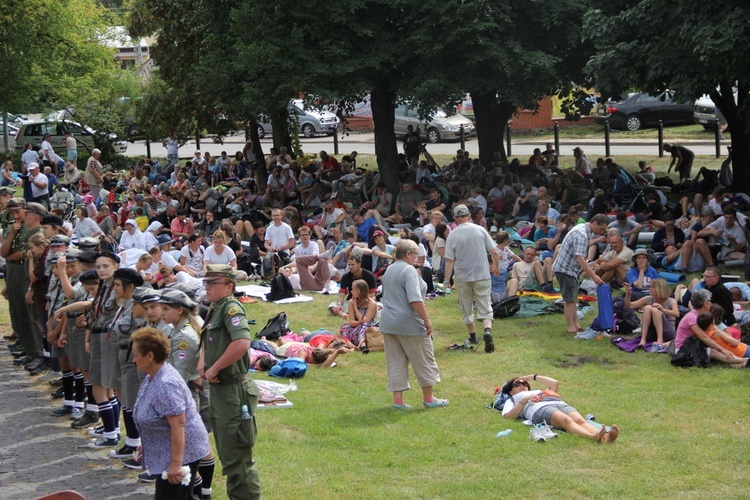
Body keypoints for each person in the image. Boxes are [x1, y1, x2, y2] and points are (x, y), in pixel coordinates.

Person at [198, 265, 261, 499]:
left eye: (213, 283)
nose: (207, 287)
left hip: (233, 390)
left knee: (238, 460)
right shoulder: (216, 308)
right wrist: (204, 363)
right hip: (221, 389)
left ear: (229, 286)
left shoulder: (231, 308)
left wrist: (215, 367)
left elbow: (242, 343)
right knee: (228, 454)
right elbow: (210, 340)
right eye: (206, 282)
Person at [131, 327, 211, 498]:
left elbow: (178, 425)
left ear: (150, 356)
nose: (134, 359)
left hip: (183, 452)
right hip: (168, 449)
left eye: (136, 354)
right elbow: (157, 417)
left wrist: (176, 464)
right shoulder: (153, 376)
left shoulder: (166, 384)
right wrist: (149, 442)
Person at [380, 239, 446, 409]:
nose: (418, 257)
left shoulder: (389, 270)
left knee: (395, 361)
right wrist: (426, 319)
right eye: (416, 253)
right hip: (408, 323)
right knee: (423, 359)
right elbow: (415, 300)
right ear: (408, 254)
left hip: (388, 322)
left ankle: (398, 401)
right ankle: (429, 398)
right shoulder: (408, 271)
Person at [444, 204, 499, 352]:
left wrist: (447, 280)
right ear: (468, 216)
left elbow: (449, 260)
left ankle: (473, 336)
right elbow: (494, 251)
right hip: (481, 274)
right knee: (485, 305)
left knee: (466, 307)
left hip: (462, 276)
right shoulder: (480, 230)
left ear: (455, 218)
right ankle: (487, 331)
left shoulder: (453, 234)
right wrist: (496, 266)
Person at [500, 374, 619, 443]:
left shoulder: (539, 391)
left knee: (580, 421)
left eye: (524, 384)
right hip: (538, 408)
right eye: (516, 384)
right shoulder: (512, 399)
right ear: (510, 391)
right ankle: (593, 437)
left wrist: (533, 376)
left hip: (557, 402)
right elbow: (508, 417)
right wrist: (524, 400)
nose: (521, 385)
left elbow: (554, 383)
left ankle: (606, 438)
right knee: (566, 421)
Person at [551, 214, 609, 334]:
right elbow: (580, 259)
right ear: (595, 224)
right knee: (569, 299)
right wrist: (593, 276)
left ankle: (576, 324)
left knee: (573, 298)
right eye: (602, 229)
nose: (602, 232)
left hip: (570, 269)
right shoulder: (581, 234)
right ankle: (570, 327)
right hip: (565, 269)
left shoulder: (584, 228)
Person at [673, 288, 746, 367]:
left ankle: (741, 364)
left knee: (717, 352)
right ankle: (745, 360)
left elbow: (715, 330)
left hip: (696, 344)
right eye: (710, 301)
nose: (711, 303)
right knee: (714, 351)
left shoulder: (701, 315)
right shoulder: (692, 317)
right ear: (705, 304)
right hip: (684, 349)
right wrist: (723, 349)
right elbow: (704, 337)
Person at [621, 278, 679, 350]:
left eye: (652, 287)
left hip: (667, 332)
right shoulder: (648, 299)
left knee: (655, 310)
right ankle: (643, 339)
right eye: (650, 287)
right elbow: (629, 306)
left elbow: (677, 314)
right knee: (648, 307)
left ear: (660, 289)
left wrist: (663, 310)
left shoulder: (671, 301)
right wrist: (628, 294)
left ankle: (660, 340)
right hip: (652, 331)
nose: (650, 289)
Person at [339, 279, 378, 352]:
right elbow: (351, 322)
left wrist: (355, 308)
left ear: (359, 291)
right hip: (355, 327)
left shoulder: (372, 304)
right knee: (344, 327)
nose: (351, 291)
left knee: (364, 326)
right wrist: (359, 322)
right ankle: (361, 344)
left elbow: (366, 321)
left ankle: (361, 344)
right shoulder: (352, 302)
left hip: (368, 328)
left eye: (353, 290)